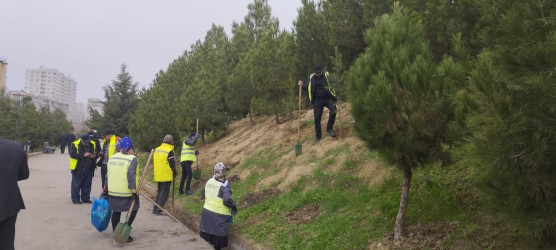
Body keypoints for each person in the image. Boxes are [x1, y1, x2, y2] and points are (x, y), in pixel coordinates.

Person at [105, 136, 139, 243]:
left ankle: (116, 232)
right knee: (134, 208)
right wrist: (134, 192)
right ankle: (125, 230)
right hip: (126, 192)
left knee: (116, 211)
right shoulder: (132, 159)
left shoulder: (113, 157)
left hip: (113, 191)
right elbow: (131, 175)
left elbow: (107, 175)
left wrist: (105, 189)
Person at [0, 137, 29, 250]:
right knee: (6, 242)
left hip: (9, 201)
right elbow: (24, 174)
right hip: (8, 202)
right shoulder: (15, 146)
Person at [200, 162, 237, 250]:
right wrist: (234, 205)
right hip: (219, 216)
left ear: (214, 171)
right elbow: (227, 200)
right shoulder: (224, 186)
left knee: (206, 238)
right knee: (217, 240)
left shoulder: (209, 181)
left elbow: (203, 194)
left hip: (206, 213)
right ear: (224, 172)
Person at [298, 65, 338, 143]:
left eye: (319, 72)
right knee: (317, 118)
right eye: (317, 73)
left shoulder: (326, 75)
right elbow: (306, 87)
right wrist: (301, 85)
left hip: (327, 98)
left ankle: (329, 128)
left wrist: (335, 96)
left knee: (334, 110)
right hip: (317, 100)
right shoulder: (311, 77)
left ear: (321, 71)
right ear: (314, 72)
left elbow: (334, 84)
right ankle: (318, 136)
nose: (318, 74)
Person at [69, 133, 97, 204]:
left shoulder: (92, 144)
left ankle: (85, 198)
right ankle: (76, 199)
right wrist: (83, 155)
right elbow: (72, 154)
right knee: (76, 184)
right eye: (85, 141)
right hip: (78, 168)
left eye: (87, 141)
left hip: (89, 169)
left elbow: (95, 152)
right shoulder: (75, 144)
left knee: (87, 185)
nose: (86, 143)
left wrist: (95, 156)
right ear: (81, 140)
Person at [152, 135, 177, 215]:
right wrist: (175, 171)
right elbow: (172, 164)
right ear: (172, 141)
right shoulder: (169, 151)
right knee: (164, 193)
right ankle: (158, 210)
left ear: (163, 141)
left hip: (158, 174)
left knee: (159, 192)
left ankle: (155, 208)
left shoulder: (157, 149)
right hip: (166, 175)